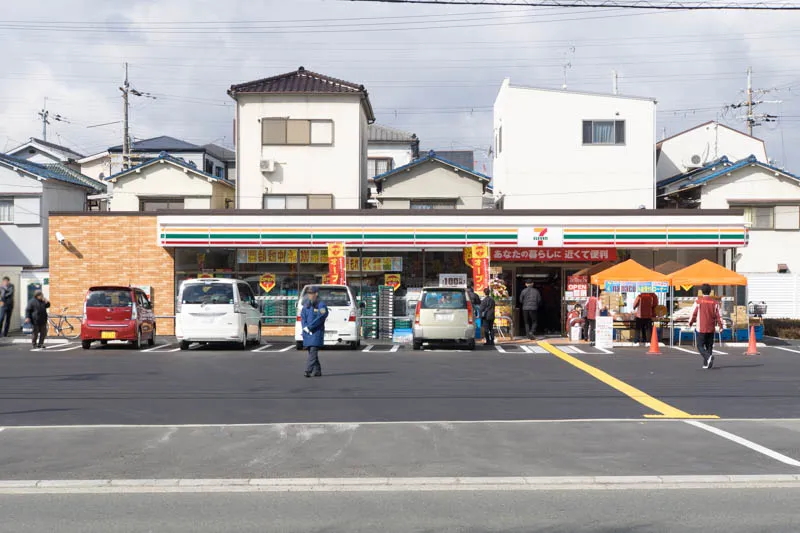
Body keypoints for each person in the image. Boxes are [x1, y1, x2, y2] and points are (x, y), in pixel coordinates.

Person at [688, 284, 723, 370]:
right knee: (709, 346)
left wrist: (690, 323)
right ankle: (706, 363)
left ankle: (708, 358)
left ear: (701, 291)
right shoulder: (715, 303)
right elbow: (719, 315)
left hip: (701, 327)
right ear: (710, 291)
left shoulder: (698, 302)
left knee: (700, 346)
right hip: (711, 327)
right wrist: (721, 326)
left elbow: (694, 314)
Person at [300, 286, 328, 378]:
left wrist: (310, 327)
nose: (310, 295)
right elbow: (302, 317)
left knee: (313, 351)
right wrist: (305, 327)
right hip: (307, 332)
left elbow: (321, 317)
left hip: (316, 332)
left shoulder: (321, 305)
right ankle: (317, 370)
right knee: (311, 352)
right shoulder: (306, 305)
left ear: (316, 294)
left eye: (311, 293)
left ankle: (308, 370)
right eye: (308, 293)